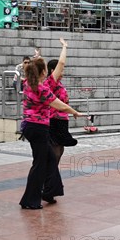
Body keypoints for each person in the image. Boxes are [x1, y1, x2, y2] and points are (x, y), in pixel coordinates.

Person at [19, 57, 84, 210]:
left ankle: (50, 191)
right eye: (46, 71)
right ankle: (30, 200)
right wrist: (74, 111)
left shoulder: (28, 84)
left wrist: (37, 57)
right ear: (42, 72)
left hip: (31, 126)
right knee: (39, 164)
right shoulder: (41, 88)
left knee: (50, 159)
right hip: (38, 128)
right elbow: (57, 103)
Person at [43, 38, 78, 204]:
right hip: (54, 121)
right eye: (58, 70)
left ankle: (49, 186)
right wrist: (64, 47)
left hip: (62, 122)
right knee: (54, 155)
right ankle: (47, 187)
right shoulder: (51, 82)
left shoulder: (58, 83)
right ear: (52, 70)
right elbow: (61, 64)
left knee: (58, 154)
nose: (62, 71)